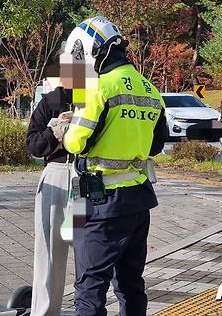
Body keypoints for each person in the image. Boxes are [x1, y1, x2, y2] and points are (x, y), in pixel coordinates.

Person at [61, 16, 168, 316]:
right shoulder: (150, 90)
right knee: (131, 285)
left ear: (93, 51)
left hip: (101, 204)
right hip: (138, 200)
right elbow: (157, 145)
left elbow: (76, 143)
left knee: (90, 287)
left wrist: (65, 128)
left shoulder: (100, 89)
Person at [26, 52, 76, 316]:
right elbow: (33, 145)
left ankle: (88, 308)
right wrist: (55, 132)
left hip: (84, 181)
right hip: (56, 176)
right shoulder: (51, 100)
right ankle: (45, 312)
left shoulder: (98, 98)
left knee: (86, 251)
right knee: (49, 252)